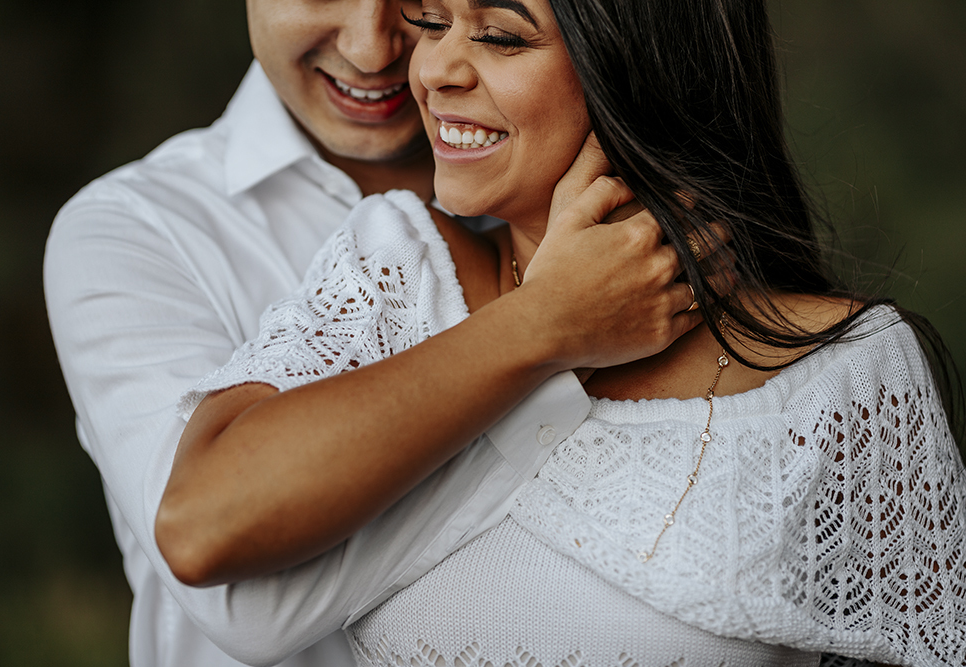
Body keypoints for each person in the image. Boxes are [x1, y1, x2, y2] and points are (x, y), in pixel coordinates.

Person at [160, 0, 966, 665]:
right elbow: (201, 528)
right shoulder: (396, 273)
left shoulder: (845, 372)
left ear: (641, 64)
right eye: (433, 23)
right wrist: (546, 324)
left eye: (501, 36)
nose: (434, 70)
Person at [43, 0, 708, 666]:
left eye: (415, 2)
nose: (372, 49)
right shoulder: (135, 231)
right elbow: (242, 597)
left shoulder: (555, 184)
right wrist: (550, 332)